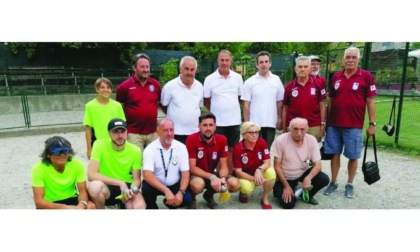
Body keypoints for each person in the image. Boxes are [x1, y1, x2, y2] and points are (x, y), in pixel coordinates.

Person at [323, 47, 377, 198]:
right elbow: (331, 100)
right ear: (343, 59)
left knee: (353, 156)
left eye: (354, 57)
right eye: (348, 57)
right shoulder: (336, 77)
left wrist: (372, 124)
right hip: (334, 125)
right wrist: (326, 123)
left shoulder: (366, 76)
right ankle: (333, 182)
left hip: (354, 125)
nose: (350, 60)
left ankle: (350, 183)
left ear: (358, 60)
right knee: (335, 154)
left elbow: (370, 101)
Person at [87, 118, 146, 209]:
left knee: (139, 206)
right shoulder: (99, 144)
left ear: (127, 132)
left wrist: (132, 190)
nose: (120, 135)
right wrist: (120, 183)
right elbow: (91, 175)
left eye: (123, 131)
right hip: (107, 185)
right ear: (109, 133)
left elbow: (137, 179)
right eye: (115, 132)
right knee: (94, 187)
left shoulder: (135, 150)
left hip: (127, 186)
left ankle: (122, 204)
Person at [272, 117, 329, 209]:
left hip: (302, 171)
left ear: (306, 129)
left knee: (324, 179)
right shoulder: (281, 140)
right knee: (288, 204)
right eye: (295, 129)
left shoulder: (311, 140)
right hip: (286, 176)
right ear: (289, 129)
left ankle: (307, 195)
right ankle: (280, 187)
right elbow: (277, 166)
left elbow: (318, 165)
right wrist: (286, 186)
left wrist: (308, 178)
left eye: (302, 129)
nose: (299, 133)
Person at [186, 112, 240, 209]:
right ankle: (192, 198)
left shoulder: (222, 139)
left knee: (234, 184)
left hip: (211, 173)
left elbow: (224, 166)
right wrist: (212, 177)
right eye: (204, 125)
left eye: (211, 125)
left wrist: (222, 178)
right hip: (196, 174)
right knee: (197, 185)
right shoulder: (191, 139)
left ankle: (208, 195)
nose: (208, 128)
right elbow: (192, 168)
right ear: (199, 126)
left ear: (215, 126)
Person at [203, 50, 243, 172]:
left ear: (231, 61)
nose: (224, 63)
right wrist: (217, 111)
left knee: (232, 150)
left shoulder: (238, 77)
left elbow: (240, 98)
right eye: (222, 60)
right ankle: (219, 176)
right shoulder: (209, 79)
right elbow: (206, 100)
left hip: (234, 121)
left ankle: (228, 176)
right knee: (219, 150)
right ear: (217, 61)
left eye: (227, 60)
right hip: (218, 123)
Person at [31, 136, 95, 209]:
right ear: (48, 154)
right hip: (50, 203)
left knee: (91, 206)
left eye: (65, 151)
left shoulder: (77, 164)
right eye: (57, 152)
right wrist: (66, 208)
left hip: (71, 198)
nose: (62, 155)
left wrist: (81, 206)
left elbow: (82, 191)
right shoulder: (38, 168)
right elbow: (39, 201)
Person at [142, 118, 192, 209]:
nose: (169, 134)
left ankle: (170, 203)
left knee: (187, 198)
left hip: (174, 184)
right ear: (157, 132)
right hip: (156, 184)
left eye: (171, 130)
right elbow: (147, 174)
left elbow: (185, 173)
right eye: (165, 130)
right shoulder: (150, 149)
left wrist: (180, 192)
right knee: (145, 189)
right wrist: (166, 191)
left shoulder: (181, 147)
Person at [116, 53, 162, 152]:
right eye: (142, 67)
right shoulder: (124, 87)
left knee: (153, 163)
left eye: (147, 67)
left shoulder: (156, 85)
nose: (145, 70)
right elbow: (119, 108)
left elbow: (157, 103)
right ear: (134, 68)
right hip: (133, 133)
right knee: (136, 163)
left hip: (153, 132)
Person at [241, 51, 284, 149]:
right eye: (261, 62)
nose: (264, 64)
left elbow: (279, 102)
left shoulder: (276, 80)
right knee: (252, 150)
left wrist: (280, 118)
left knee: (266, 151)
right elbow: (246, 105)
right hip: (254, 124)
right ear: (257, 64)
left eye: (266, 61)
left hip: (270, 122)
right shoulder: (249, 82)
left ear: (270, 63)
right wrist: (247, 123)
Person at [282, 56, 327, 141]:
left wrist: (322, 125)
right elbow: (285, 108)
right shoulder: (289, 86)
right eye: (300, 67)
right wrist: (284, 128)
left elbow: (322, 105)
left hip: (313, 126)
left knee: (311, 153)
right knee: (293, 153)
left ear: (310, 69)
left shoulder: (318, 84)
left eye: (305, 67)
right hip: (294, 126)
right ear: (295, 69)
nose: (302, 69)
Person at [232, 121, 276, 209]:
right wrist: (254, 179)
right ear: (244, 135)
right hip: (245, 176)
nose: (254, 135)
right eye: (251, 132)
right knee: (246, 187)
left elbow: (267, 162)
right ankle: (243, 193)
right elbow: (238, 172)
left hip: (258, 172)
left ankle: (265, 198)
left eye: (256, 132)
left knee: (271, 172)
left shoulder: (262, 142)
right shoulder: (237, 148)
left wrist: (259, 169)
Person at [161, 55, 204, 144]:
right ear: (180, 69)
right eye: (186, 69)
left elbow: (199, 107)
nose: (189, 72)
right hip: (175, 133)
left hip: (195, 132)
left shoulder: (200, 87)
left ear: (196, 70)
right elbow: (163, 105)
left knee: (193, 158)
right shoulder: (170, 86)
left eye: (192, 69)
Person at [83, 77, 125, 159]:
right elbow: (88, 129)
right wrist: (89, 149)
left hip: (115, 143)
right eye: (102, 87)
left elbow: (123, 128)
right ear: (97, 89)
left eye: (108, 87)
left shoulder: (117, 106)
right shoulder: (90, 106)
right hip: (99, 144)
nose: (105, 90)